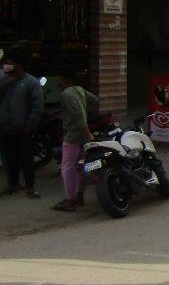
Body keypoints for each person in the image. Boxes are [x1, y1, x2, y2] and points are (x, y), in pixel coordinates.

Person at [51, 71, 98, 212]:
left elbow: (78, 116)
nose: (58, 81)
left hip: (73, 134)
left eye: (60, 78)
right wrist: (84, 108)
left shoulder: (65, 94)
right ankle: (79, 195)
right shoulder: (79, 90)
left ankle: (69, 200)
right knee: (79, 166)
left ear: (65, 79)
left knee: (67, 167)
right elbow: (95, 100)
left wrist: (87, 132)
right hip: (82, 134)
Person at [0, 49, 43, 198]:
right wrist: (5, 84)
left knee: (26, 160)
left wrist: (29, 126)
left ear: (18, 65)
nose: (6, 66)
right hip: (6, 128)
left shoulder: (31, 82)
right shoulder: (4, 80)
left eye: (9, 63)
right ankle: (13, 185)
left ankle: (30, 187)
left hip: (23, 129)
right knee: (10, 160)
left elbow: (37, 107)